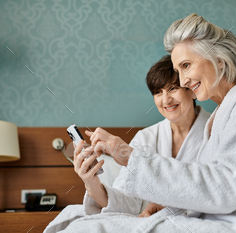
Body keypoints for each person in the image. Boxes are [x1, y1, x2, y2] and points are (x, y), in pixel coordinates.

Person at [62, 13, 236, 232]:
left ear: (220, 60)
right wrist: (166, 204)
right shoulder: (222, 115)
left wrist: (127, 155)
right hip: (225, 216)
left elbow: (225, 189)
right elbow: (210, 187)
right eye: (177, 70)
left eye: (186, 65)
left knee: (93, 228)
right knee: (77, 220)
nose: (182, 80)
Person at [44, 55, 210, 232]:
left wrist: (168, 207)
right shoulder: (146, 138)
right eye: (158, 92)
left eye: (173, 88)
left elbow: (217, 190)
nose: (166, 100)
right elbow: (127, 201)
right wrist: (91, 183)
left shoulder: (214, 131)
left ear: (191, 90)